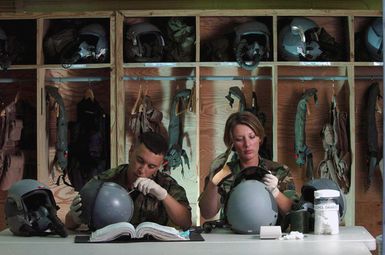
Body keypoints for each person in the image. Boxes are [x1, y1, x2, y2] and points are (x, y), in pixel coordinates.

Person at [65, 131, 192, 230]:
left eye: (151, 166)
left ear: (162, 164)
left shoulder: (167, 185)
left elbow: (186, 222)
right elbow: (69, 223)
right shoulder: (105, 181)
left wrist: (163, 195)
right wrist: (74, 218)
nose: (142, 170)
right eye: (140, 161)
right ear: (131, 152)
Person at [199, 111, 297, 221]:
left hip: (271, 235)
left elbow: (293, 213)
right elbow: (207, 213)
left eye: (252, 136)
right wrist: (213, 182)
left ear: (260, 138)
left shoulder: (279, 171)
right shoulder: (223, 173)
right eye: (239, 139)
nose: (247, 144)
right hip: (232, 235)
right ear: (232, 144)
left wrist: (275, 192)